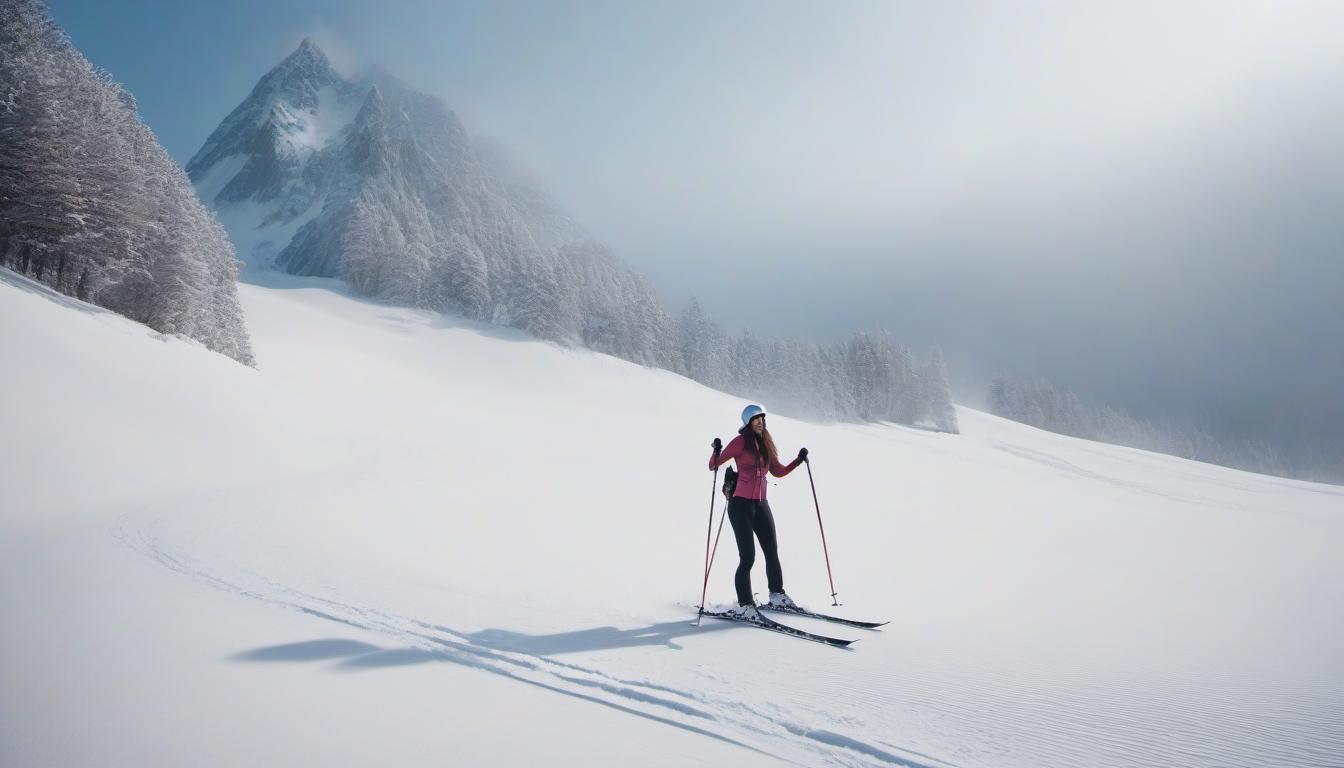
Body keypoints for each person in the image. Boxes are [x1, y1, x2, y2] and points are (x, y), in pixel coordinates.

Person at [709, 404, 809, 620]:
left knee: (772, 552)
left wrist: (798, 461)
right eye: (756, 419)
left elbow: (778, 471)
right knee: (748, 558)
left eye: (762, 418)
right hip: (740, 505)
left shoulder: (765, 444)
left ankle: (777, 596)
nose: (760, 422)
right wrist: (716, 450)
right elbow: (714, 465)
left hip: (761, 504)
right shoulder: (740, 442)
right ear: (748, 422)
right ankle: (745, 605)